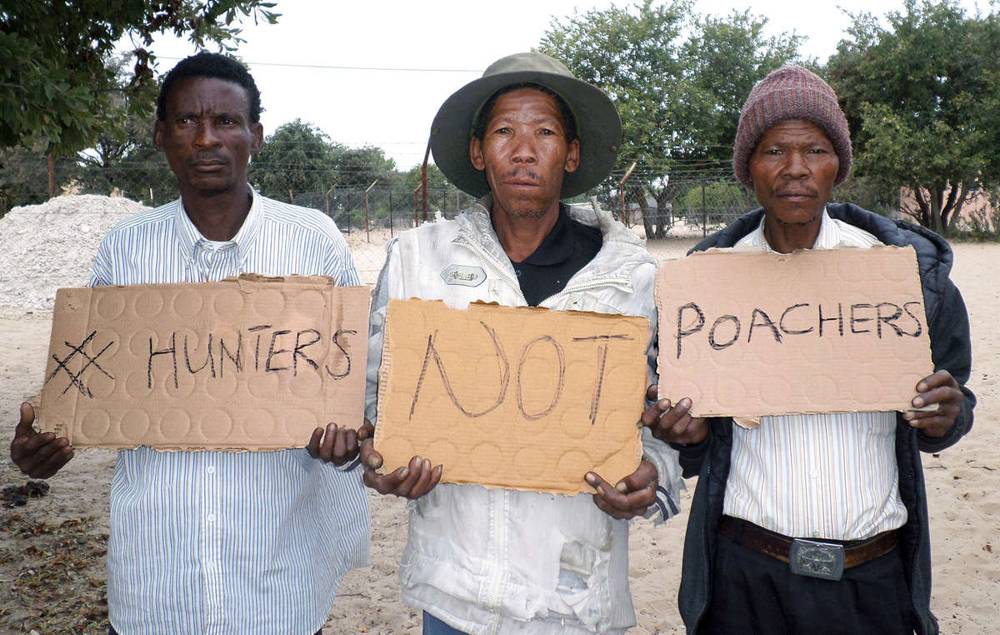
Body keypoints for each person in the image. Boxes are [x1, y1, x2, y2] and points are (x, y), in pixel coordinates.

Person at [9, 53, 370, 635]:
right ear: (160, 136)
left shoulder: (314, 240)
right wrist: (47, 441)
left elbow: (349, 388)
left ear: (255, 133)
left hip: (280, 578)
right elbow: (92, 386)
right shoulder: (125, 249)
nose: (206, 138)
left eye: (226, 121)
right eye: (185, 122)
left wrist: (346, 438)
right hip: (157, 579)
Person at [359, 52, 684, 634]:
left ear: (573, 153)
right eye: (505, 131)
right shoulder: (416, 261)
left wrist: (653, 474)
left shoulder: (636, 275)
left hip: (578, 600)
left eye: (545, 132)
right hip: (456, 596)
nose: (525, 150)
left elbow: (668, 417)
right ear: (479, 151)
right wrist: (381, 459)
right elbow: (374, 398)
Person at [644, 65, 975, 634]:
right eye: (774, 150)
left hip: (873, 580)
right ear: (748, 167)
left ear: (837, 165)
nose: (795, 169)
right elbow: (685, 439)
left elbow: (953, 404)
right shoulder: (704, 289)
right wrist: (688, 435)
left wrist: (944, 416)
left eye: (815, 149)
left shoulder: (904, 279)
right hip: (744, 579)